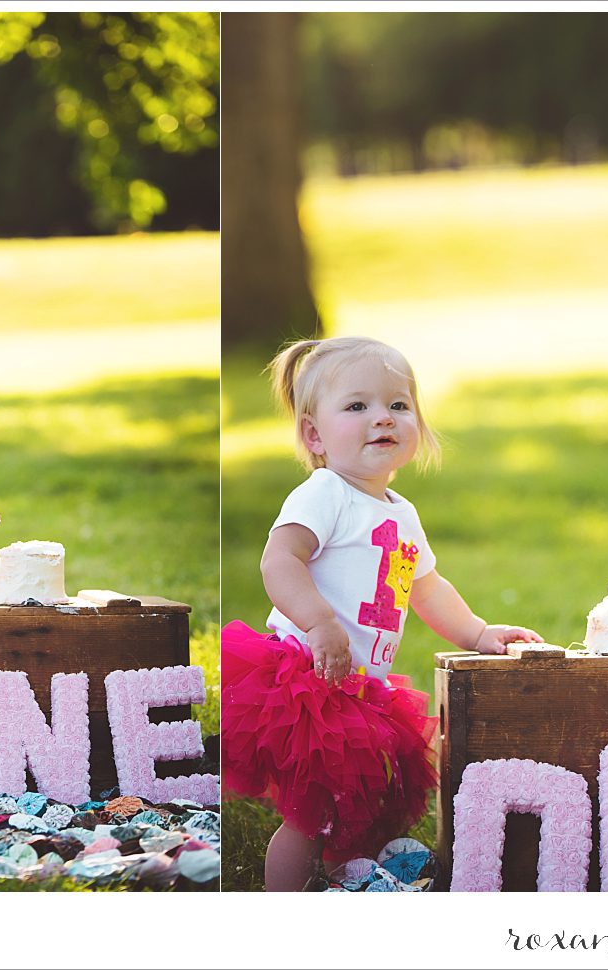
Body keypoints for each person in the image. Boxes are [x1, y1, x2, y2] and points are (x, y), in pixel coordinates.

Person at [221, 336, 543, 891]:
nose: (382, 419)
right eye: (357, 406)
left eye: (398, 405)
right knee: (311, 816)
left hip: (360, 687)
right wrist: (319, 622)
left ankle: (351, 883)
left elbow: (426, 586)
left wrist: (478, 631)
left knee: (357, 804)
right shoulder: (326, 493)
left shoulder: (402, 512)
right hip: (307, 678)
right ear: (313, 434)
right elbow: (280, 561)